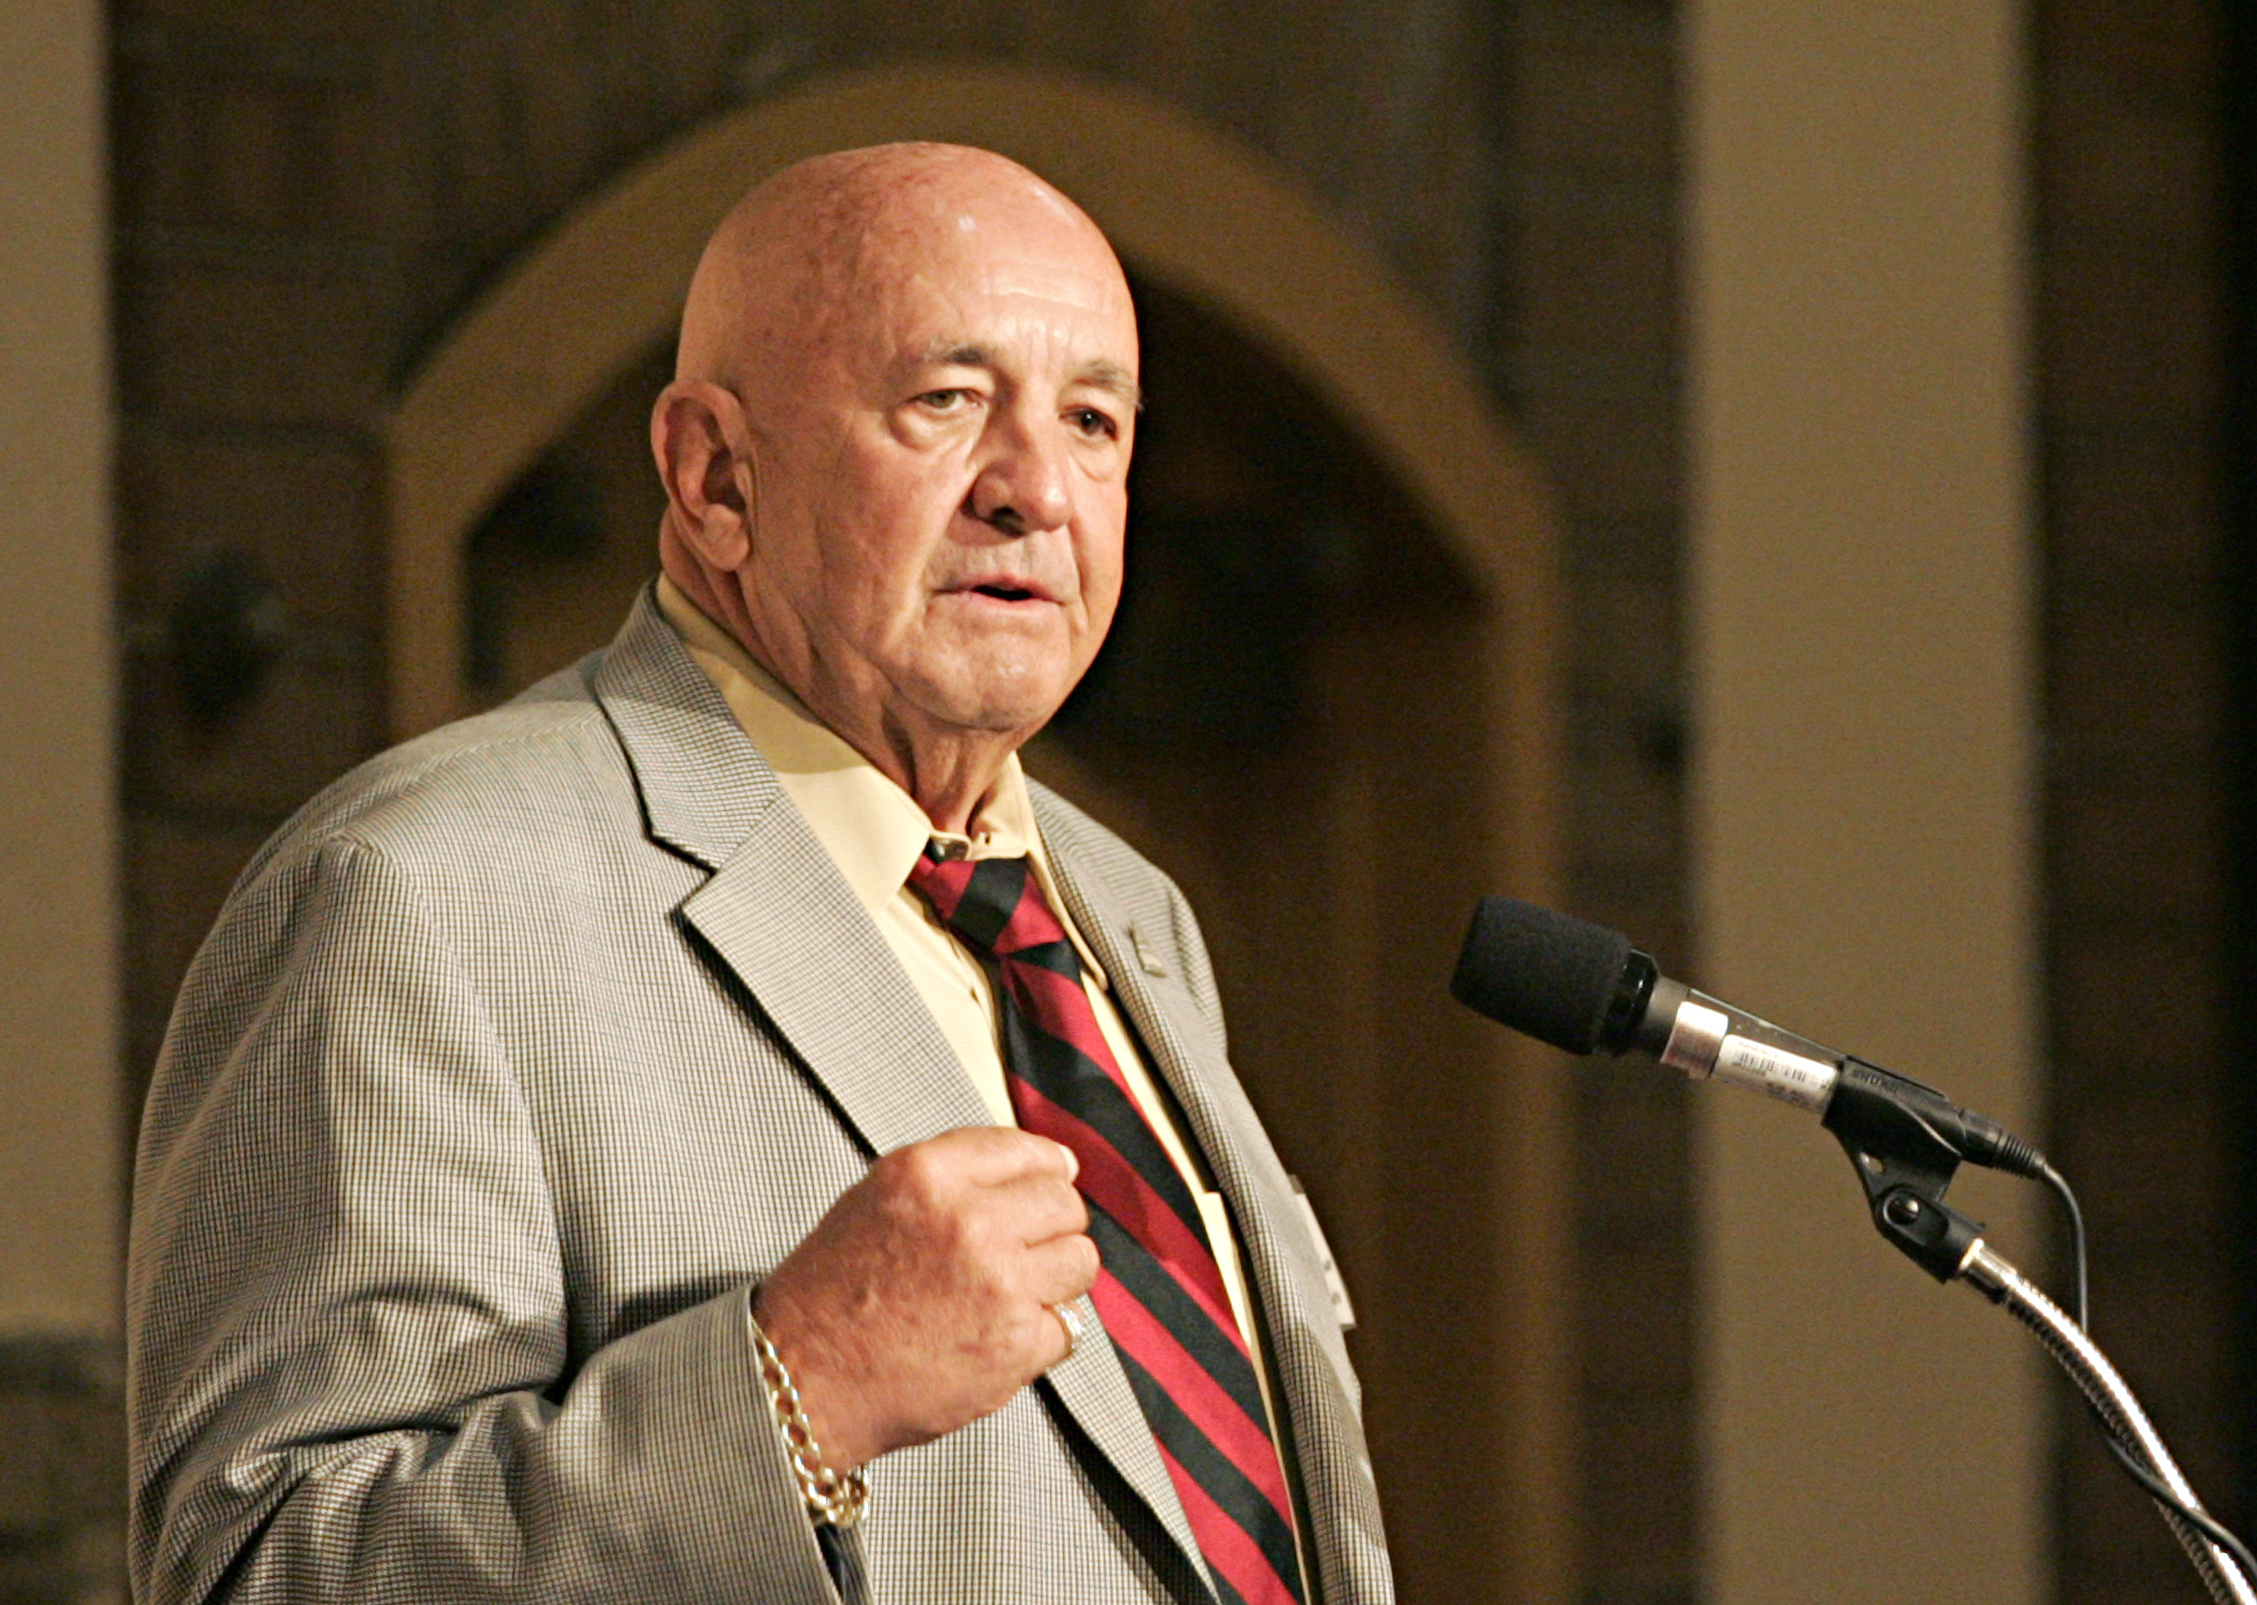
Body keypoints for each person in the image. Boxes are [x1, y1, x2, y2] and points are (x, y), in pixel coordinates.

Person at [126, 144, 1390, 1605]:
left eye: (1095, 422)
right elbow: (262, 1567)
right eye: (949, 403)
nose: (1039, 489)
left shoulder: (1131, 916)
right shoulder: (422, 894)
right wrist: (796, 1390)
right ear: (717, 478)